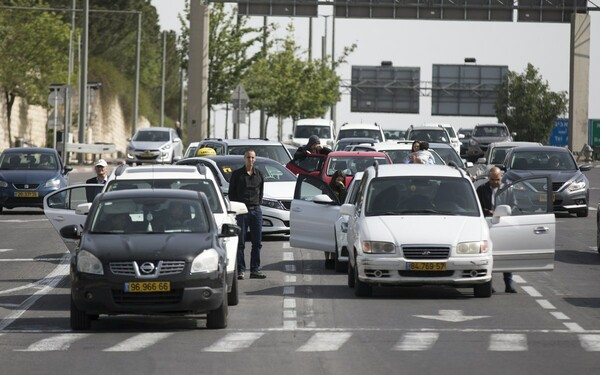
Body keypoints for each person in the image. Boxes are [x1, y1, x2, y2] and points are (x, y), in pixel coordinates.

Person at [476, 166, 517, 294]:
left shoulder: (508, 190)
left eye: (497, 180)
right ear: (489, 178)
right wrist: (487, 212)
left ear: (501, 178)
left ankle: (508, 284)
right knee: (489, 255)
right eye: (492, 180)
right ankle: (489, 284)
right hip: (488, 224)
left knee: (507, 254)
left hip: (504, 224)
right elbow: (476, 207)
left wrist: (506, 213)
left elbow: (514, 205)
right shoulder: (481, 190)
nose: (495, 182)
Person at [228, 149, 266, 280]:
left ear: (255, 159)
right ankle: (240, 270)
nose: (250, 160)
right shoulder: (237, 174)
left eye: (253, 158)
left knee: (257, 242)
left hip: (256, 210)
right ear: (244, 159)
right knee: (241, 242)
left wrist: (258, 204)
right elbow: (231, 193)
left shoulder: (259, 174)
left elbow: (261, 192)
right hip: (241, 211)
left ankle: (255, 269)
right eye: (248, 157)